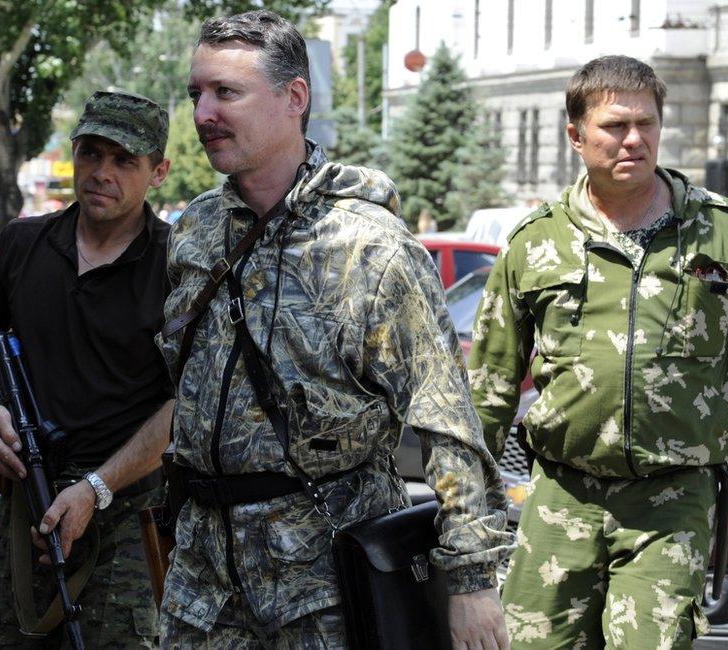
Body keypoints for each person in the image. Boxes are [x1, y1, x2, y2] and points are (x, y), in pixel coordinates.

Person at [126, 10, 506, 647]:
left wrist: (470, 582)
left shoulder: (369, 248)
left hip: (325, 581)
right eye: (197, 94)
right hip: (204, 582)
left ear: (294, 96)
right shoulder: (195, 232)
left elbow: (448, 423)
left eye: (227, 92)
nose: (203, 113)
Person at [469, 55, 728, 648]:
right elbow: (490, 385)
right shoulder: (535, 243)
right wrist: (466, 507)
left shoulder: (721, 233)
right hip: (561, 493)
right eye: (615, 126)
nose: (634, 140)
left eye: (647, 124)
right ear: (576, 135)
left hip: (672, 499)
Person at [0, 90, 174, 647]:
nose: (101, 173)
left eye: (123, 160)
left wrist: (95, 488)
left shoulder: (177, 261)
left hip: (127, 516)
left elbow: (188, 401)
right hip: (29, 506)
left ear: (157, 171)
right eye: (90, 153)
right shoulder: (23, 243)